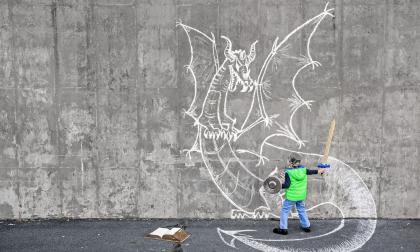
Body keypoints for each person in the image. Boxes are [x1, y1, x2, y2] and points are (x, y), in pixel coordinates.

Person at [273, 153, 326, 235]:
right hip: (301, 196)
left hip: (291, 197)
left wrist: (278, 186)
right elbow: (312, 171)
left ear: (291, 162)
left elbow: (287, 185)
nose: (287, 161)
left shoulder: (288, 172)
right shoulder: (303, 170)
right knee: (301, 210)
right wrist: (320, 171)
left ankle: (283, 229)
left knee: (285, 211)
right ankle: (306, 226)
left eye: (288, 160)